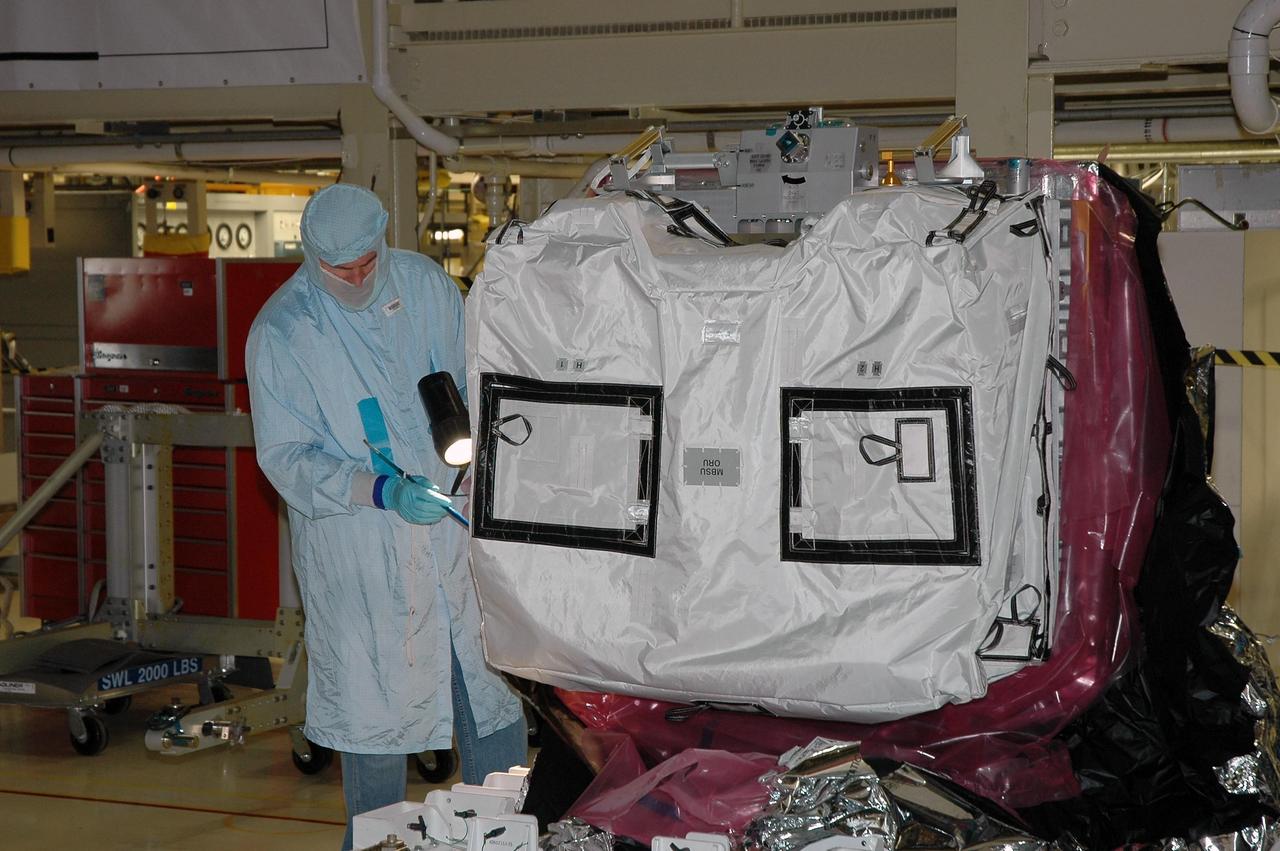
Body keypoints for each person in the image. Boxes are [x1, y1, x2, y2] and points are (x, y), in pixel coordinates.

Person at [246, 183, 526, 850]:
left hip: (453, 552)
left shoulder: (427, 285)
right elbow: (285, 457)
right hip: (365, 568)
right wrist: (376, 489)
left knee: (495, 726)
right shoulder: (284, 331)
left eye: (369, 261)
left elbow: (473, 378)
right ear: (313, 257)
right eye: (342, 269)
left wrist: (465, 461)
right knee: (377, 777)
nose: (359, 277)